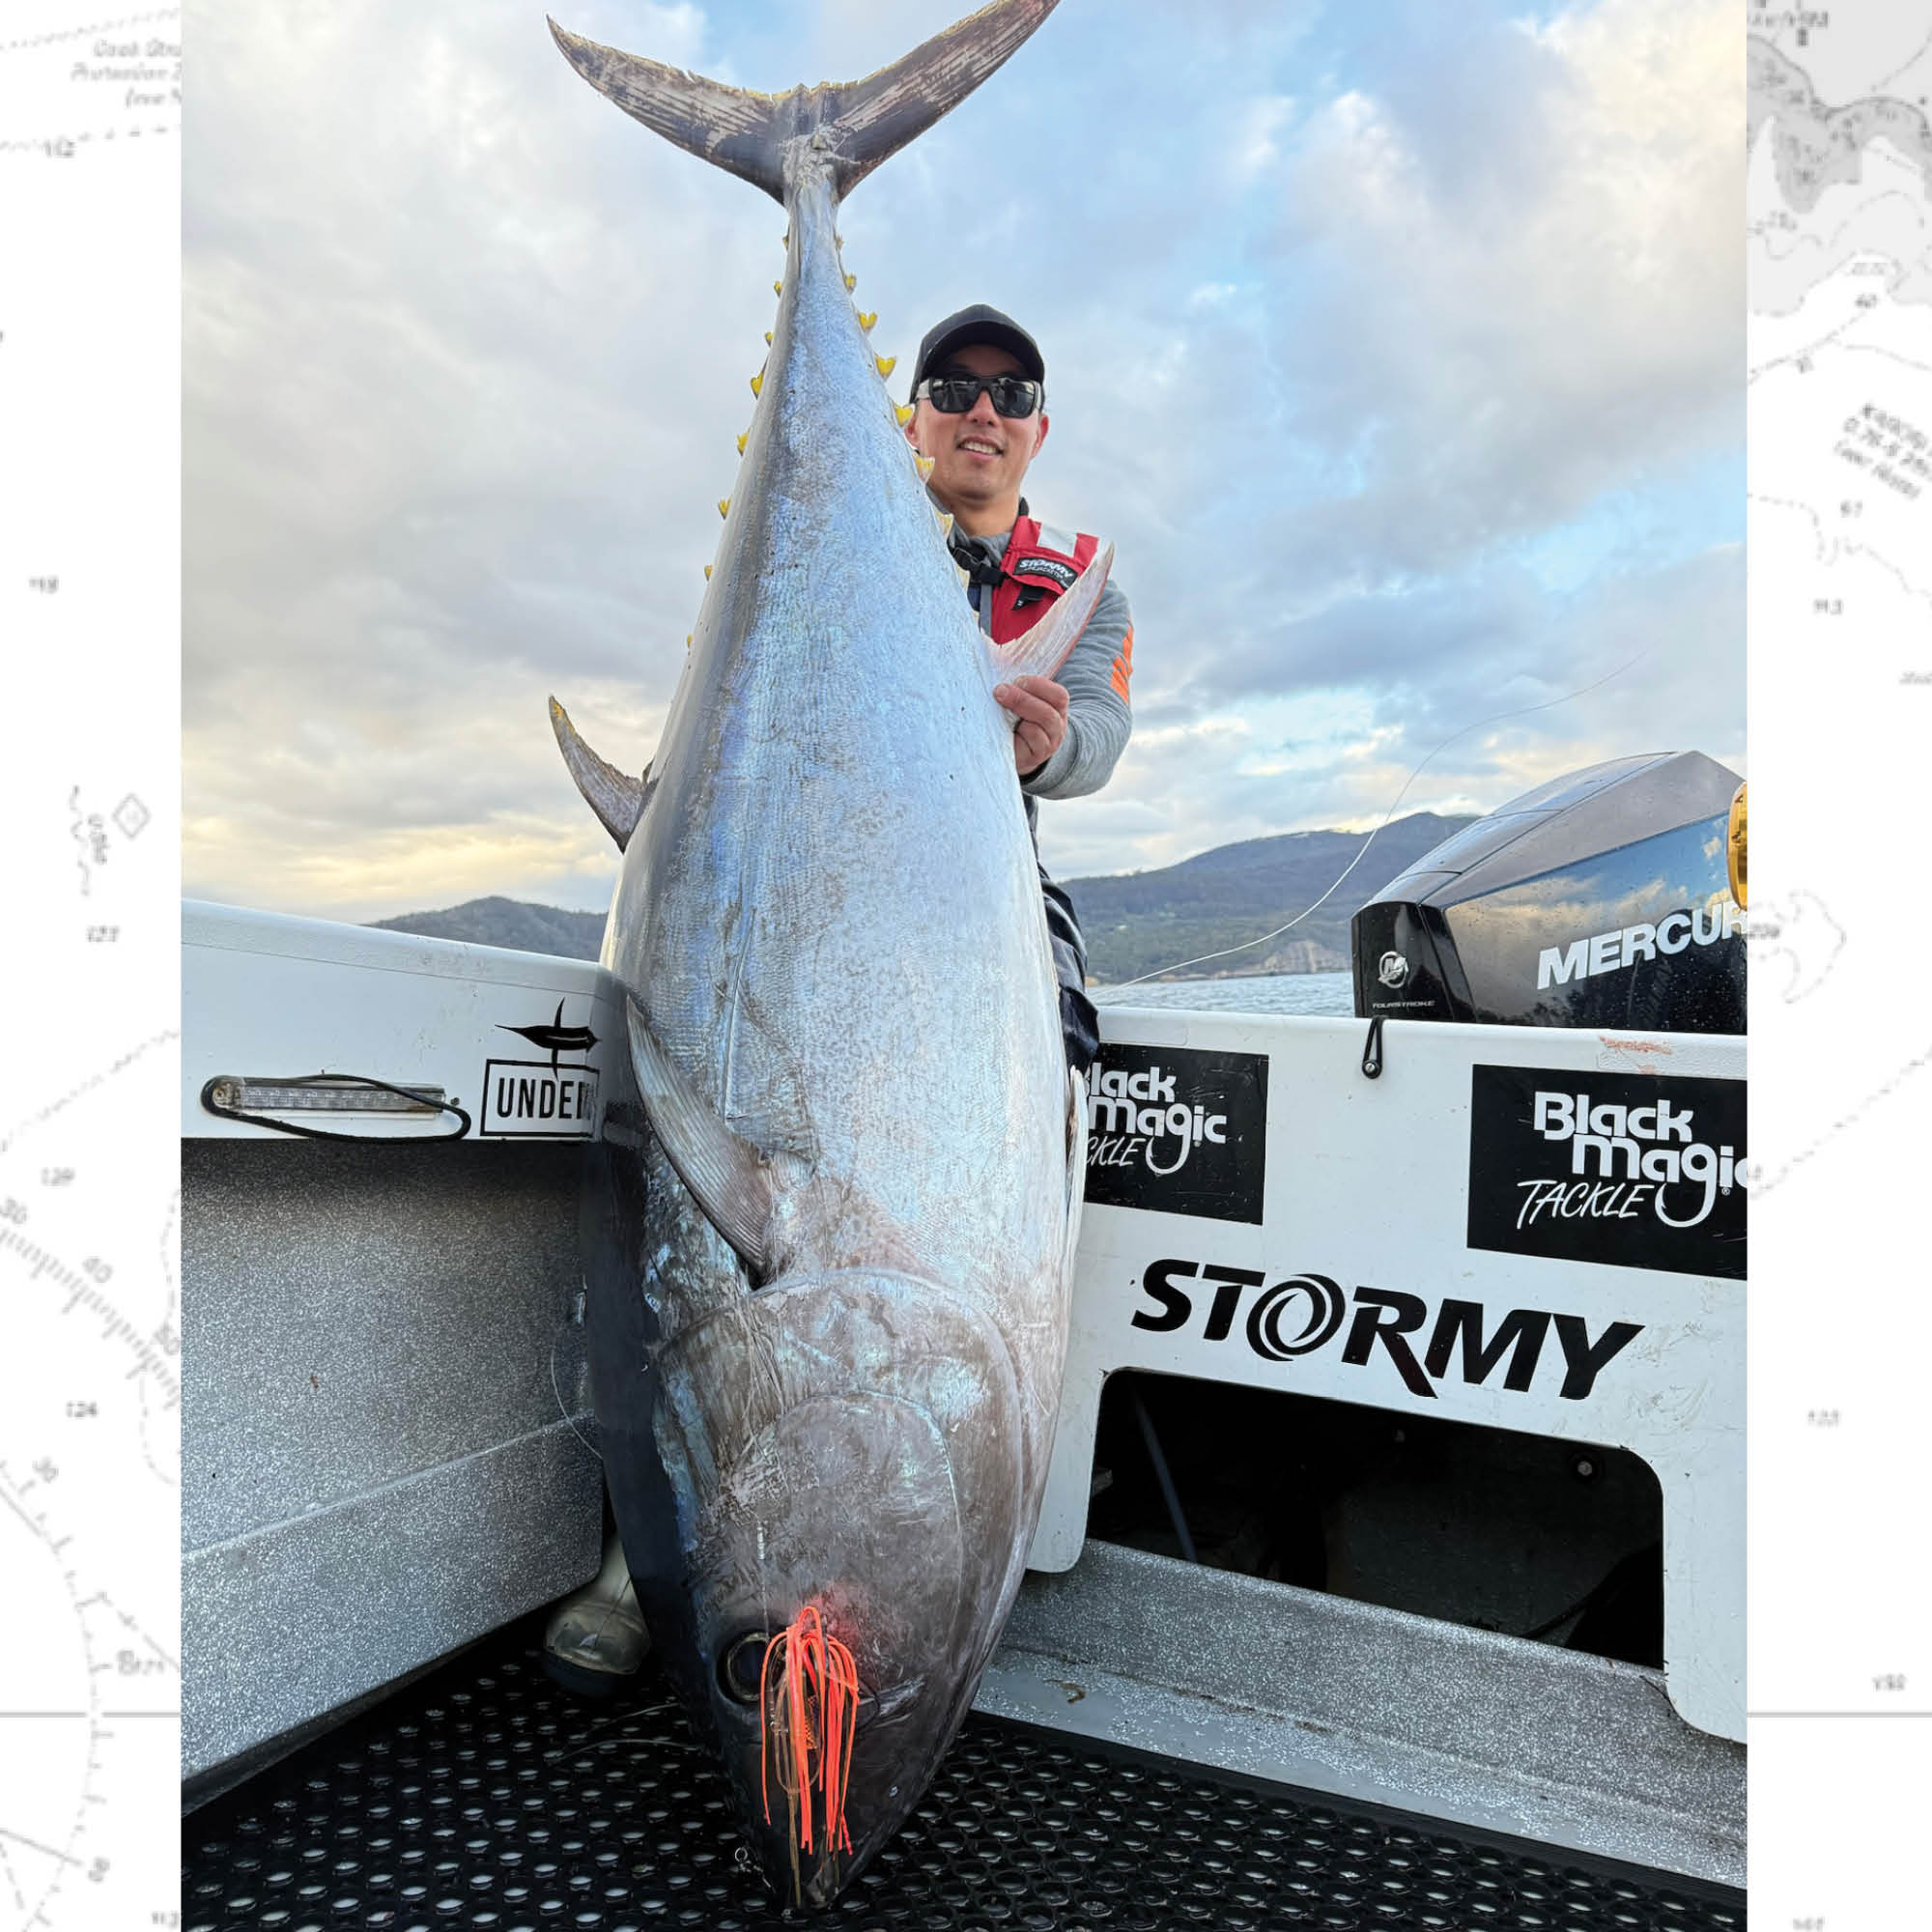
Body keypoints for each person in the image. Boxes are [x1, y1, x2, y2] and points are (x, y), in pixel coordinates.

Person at [902, 303, 1135, 1073]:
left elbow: (1100, 728)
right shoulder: (834, 550)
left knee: (1051, 1046)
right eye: (952, 388)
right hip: (809, 849)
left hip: (999, 870)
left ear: (1039, 430)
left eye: (1012, 395)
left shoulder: (1087, 591)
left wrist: (1051, 749)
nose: (983, 411)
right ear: (911, 424)